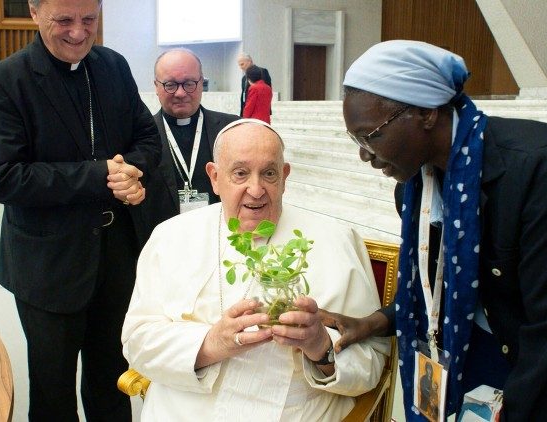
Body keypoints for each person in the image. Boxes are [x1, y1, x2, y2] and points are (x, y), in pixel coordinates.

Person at [324, 40, 547, 421]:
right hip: (515, 350)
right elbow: (442, 284)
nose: (364, 153)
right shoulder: (415, 189)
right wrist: (379, 321)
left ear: (426, 113)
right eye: (356, 139)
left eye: (371, 135)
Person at [122, 119, 388, 421]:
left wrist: (322, 348)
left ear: (285, 177)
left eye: (269, 173)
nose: (256, 189)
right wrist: (211, 343)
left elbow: (372, 364)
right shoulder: (170, 237)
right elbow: (136, 342)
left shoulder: (338, 241)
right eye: (240, 173)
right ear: (215, 177)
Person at [0, 0, 161, 420]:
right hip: (48, 265)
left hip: (116, 257)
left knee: (113, 380)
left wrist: (132, 172)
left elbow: (148, 138)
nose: (78, 32)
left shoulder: (112, 66)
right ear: (35, 11)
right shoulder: (4, 81)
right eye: (64, 20)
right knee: (52, 391)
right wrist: (99, 176)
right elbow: (3, 177)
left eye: (89, 20)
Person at [131, 49, 239, 246]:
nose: (180, 93)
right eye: (170, 85)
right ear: (156, 86)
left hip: (219, 243)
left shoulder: (232, 129)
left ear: (201, 83)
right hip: (163, 245)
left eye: (189, 83)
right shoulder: (135, 136)